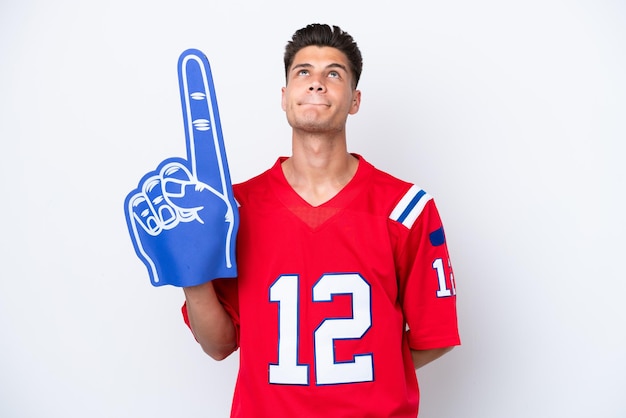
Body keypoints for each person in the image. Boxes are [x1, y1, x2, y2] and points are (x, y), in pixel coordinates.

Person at [182, 23, 460, 417]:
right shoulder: (235, 210)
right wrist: (190, 275)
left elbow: (436, 334)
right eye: (303, 72)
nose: (317, 83)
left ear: (355, 100)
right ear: (284, 97)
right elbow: (219, 346)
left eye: (333, 73)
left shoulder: (406, 208)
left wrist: (360, 371)